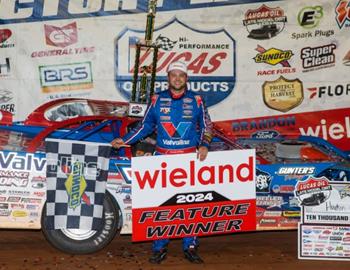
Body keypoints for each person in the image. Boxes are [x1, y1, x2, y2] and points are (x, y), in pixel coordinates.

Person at [111, 60, 213, 264]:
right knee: (161, 206)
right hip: (162, 160)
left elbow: (207, 126)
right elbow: (145, 126)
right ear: (168, 78)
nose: (177, 78)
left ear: (186, 78)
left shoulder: (198, 100)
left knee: (189, 206)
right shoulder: (157, 99)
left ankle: (190, 247)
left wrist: (204, 145)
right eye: (173, 75)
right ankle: (159, 248)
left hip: (188, 160)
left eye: (181, 75)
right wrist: (125, 140)